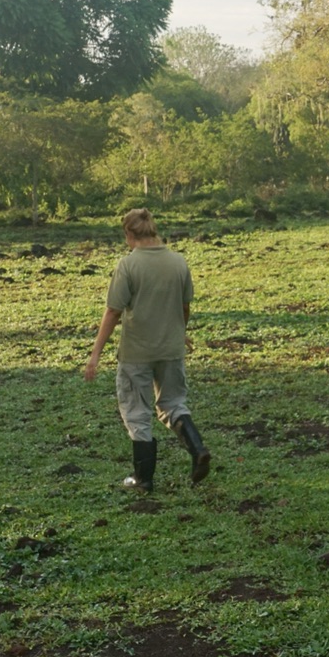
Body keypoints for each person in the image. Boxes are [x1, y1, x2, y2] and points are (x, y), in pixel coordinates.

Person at [83, 208, 210, 489]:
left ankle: (143, 479)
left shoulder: (128, 265)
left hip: (136, 353)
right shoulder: (178, 262)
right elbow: (184, 306)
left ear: (129, 234)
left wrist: (95, 355)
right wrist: (181, 332)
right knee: (173, 404)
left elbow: (113, 312)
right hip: (171, 348)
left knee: (136, 412)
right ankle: (198, 449)